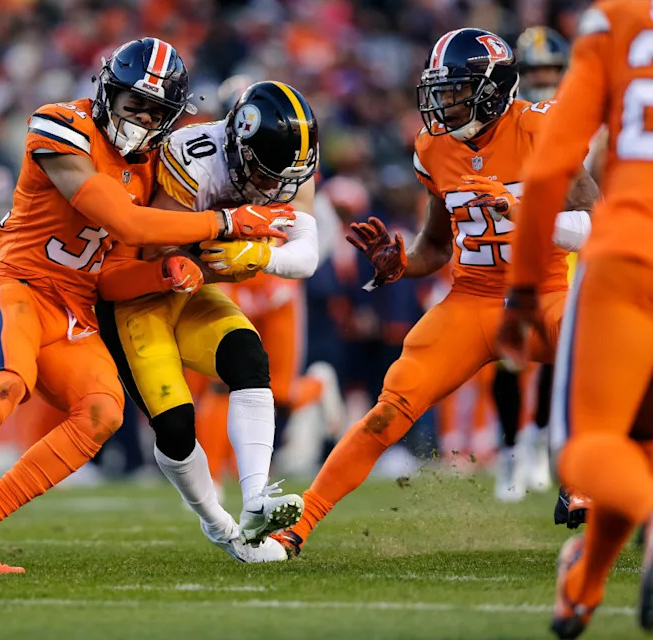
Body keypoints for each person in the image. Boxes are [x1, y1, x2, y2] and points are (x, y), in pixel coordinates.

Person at [0, 38, 293, 573]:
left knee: (102, 412)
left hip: (76, 308)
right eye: (132, 103)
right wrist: (227, 222)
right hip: (20, 286)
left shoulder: (151, 170)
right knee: (7, 383)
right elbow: (125, 222)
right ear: (106, 92)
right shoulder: (61, 126)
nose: (140, 118)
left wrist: (165, 270)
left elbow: (114, 276)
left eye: (155, 111)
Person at [272, 28, 599, 558]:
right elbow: (437, 246)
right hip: (471, 301)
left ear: (493, 90)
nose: (443, 103)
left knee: (606, 359)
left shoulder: (544, 128)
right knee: (388, 408)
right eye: (440, 91)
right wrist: (400, 263)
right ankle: (298, 525)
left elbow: (599, 224)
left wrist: (522, 210)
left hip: (543, 293)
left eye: (456, 91)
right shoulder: (434, 147)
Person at [93, 81, 320, 563]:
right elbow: (161, 251)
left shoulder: (291, 164)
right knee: (176, 427)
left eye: (285, 176)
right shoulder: (191, 155)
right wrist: (230, 238)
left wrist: (255, 254)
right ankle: (220, 526)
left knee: (248, 360)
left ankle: (258, 497)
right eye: (263, 173)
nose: (274, 187)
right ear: (239, 145)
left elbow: (306, 254)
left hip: (193, 287)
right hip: (140, 293)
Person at [498, 3, 653, 637]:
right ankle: (583, 586)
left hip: (630, 251)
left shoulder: (616, 18)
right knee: (638, 439)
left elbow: (548, 170)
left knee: (587, 446)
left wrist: (525, 291)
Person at [489, 25, 570, 503]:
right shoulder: (504, 120)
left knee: (563, 350)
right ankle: (510, 450)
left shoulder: (578, 115)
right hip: (510, 246)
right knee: (511, 353)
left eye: (550, 70)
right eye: (534, 69)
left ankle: (541, 438)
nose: (542, 78)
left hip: (566, 244)